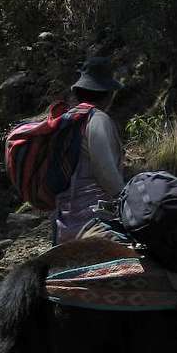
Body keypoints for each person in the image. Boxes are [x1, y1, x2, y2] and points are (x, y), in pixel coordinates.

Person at [55, 56, 125, 242]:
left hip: (62, 223)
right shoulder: (98, 119)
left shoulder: (65, 120)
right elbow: (106, 173)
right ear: (108, 93)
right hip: (94, 221)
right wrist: (126, 199)